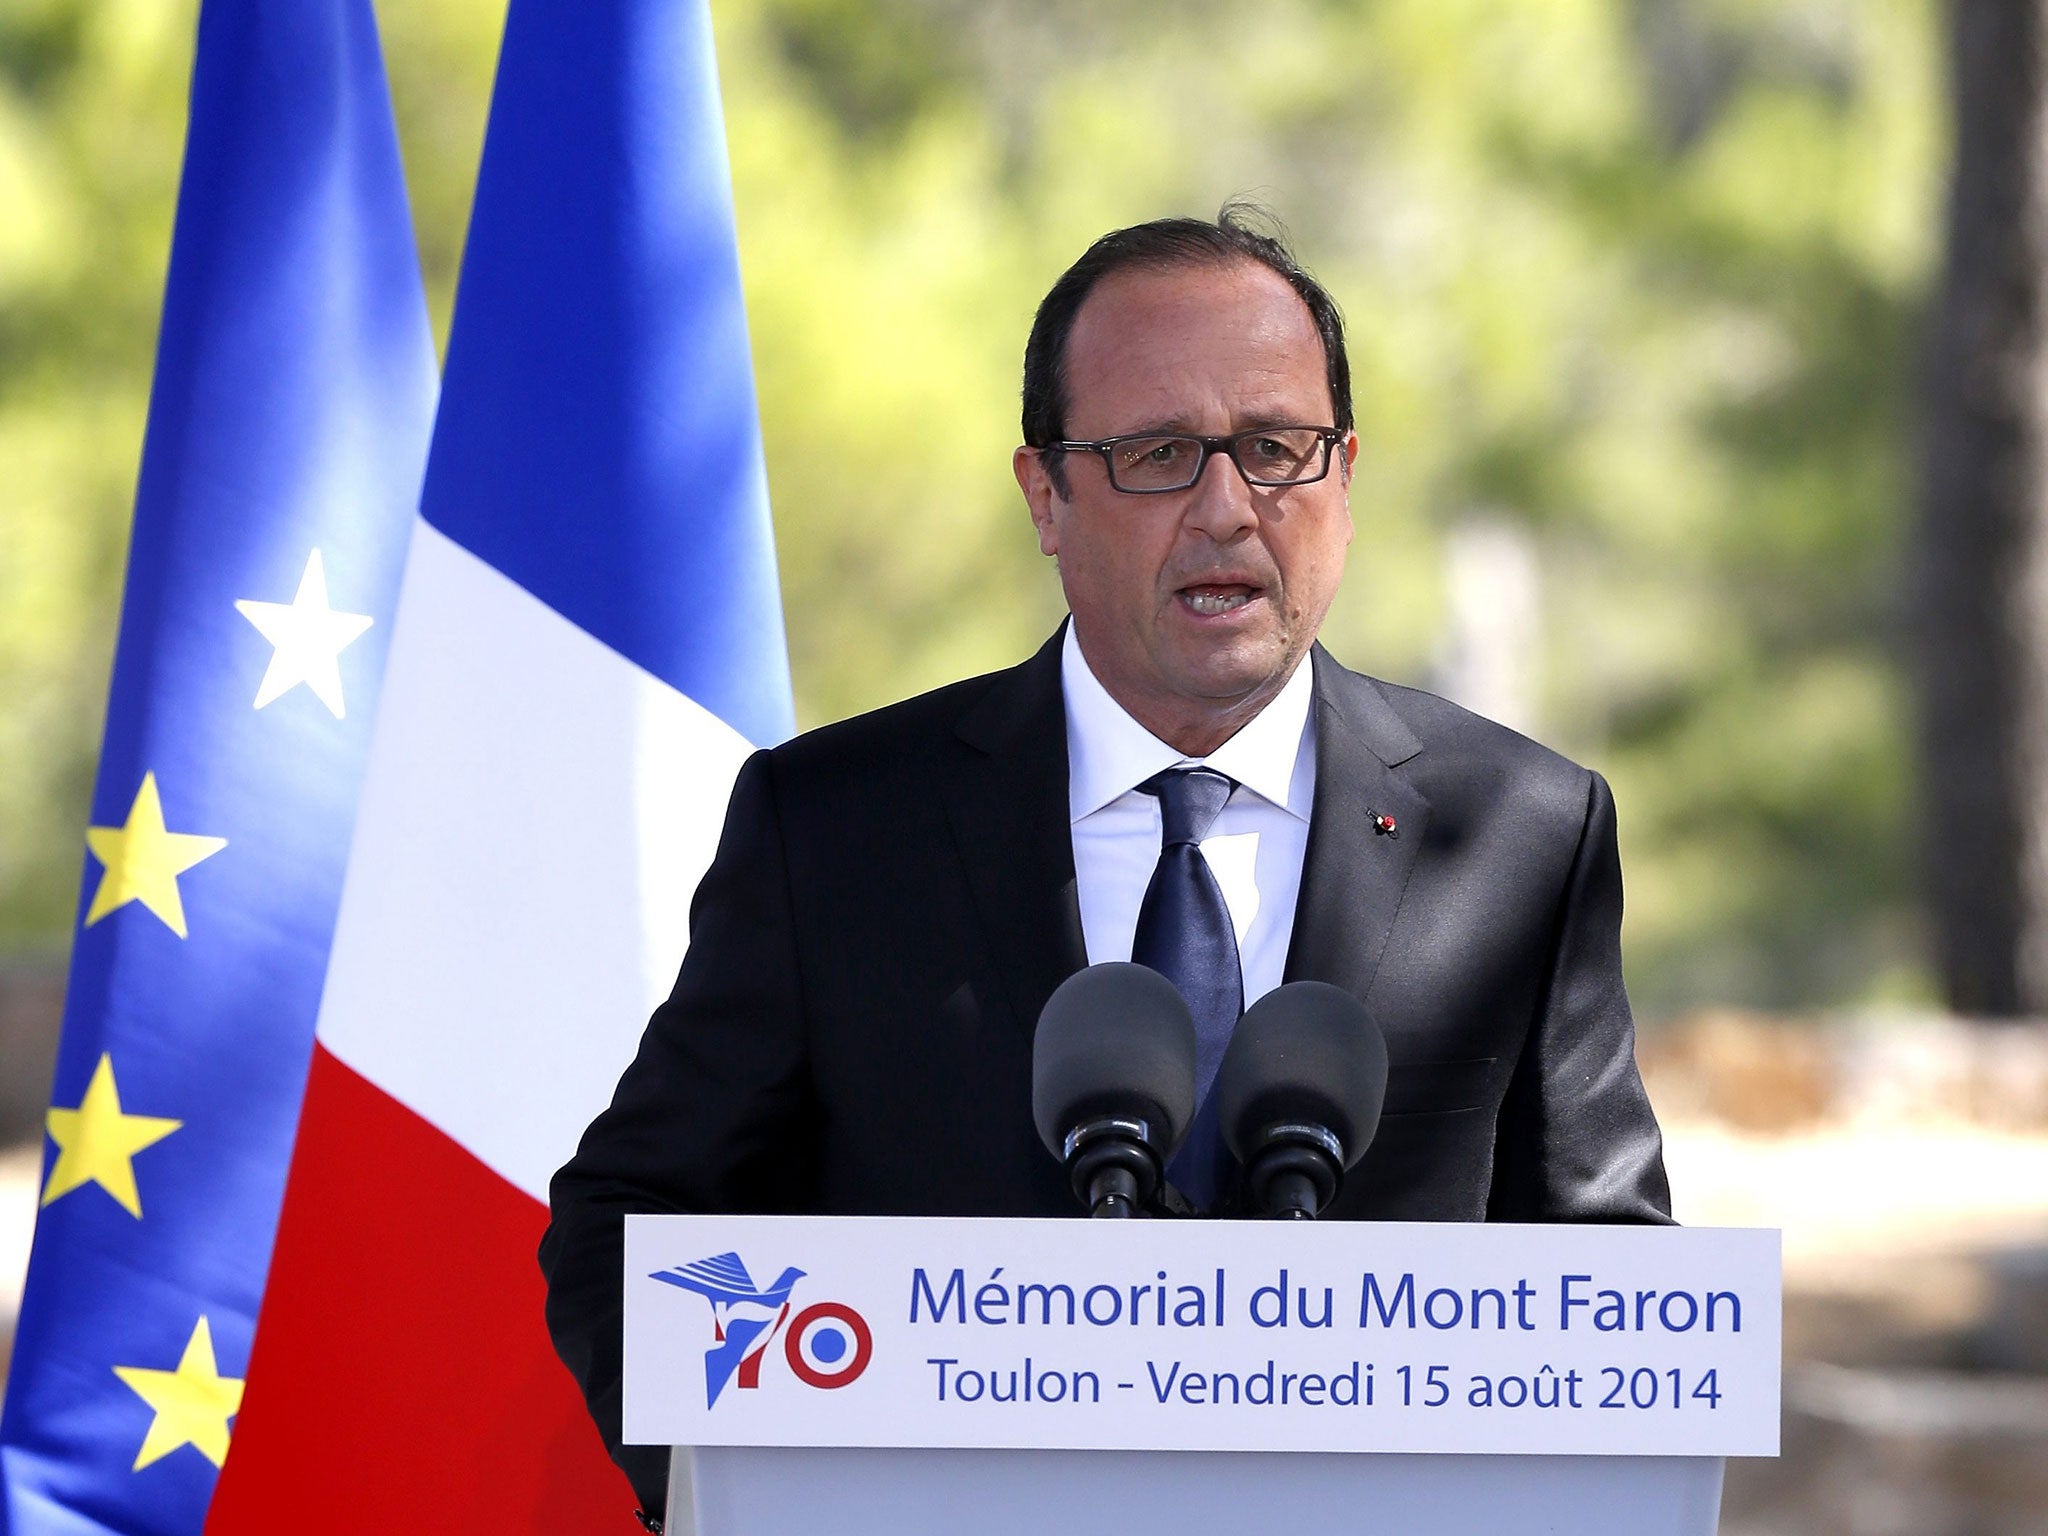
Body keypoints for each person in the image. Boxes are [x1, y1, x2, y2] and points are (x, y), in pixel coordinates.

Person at [539, 207, 1671, 1514]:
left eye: (1276, 449)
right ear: (1045, 497)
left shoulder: (1526, 833)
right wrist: (765, 1488)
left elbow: (1614, 1289)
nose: (1227, 508)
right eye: (1157, 454)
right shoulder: (837, 828)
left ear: (1346, 478)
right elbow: (633, 1222)